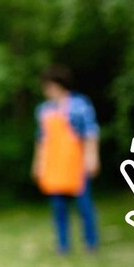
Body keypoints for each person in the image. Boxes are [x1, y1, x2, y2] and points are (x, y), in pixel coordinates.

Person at [31, 64, 100, 254]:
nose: (46, 90)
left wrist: (92, 157)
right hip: (54, 164)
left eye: (48, 85)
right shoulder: (44, 110)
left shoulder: (79, 105)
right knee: (58, 208)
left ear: (58, 85)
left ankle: (91, 243)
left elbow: (90, 134)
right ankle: (63, 246)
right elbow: (41, 140)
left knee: (84, 205)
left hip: (76, 162)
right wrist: (38, 164)